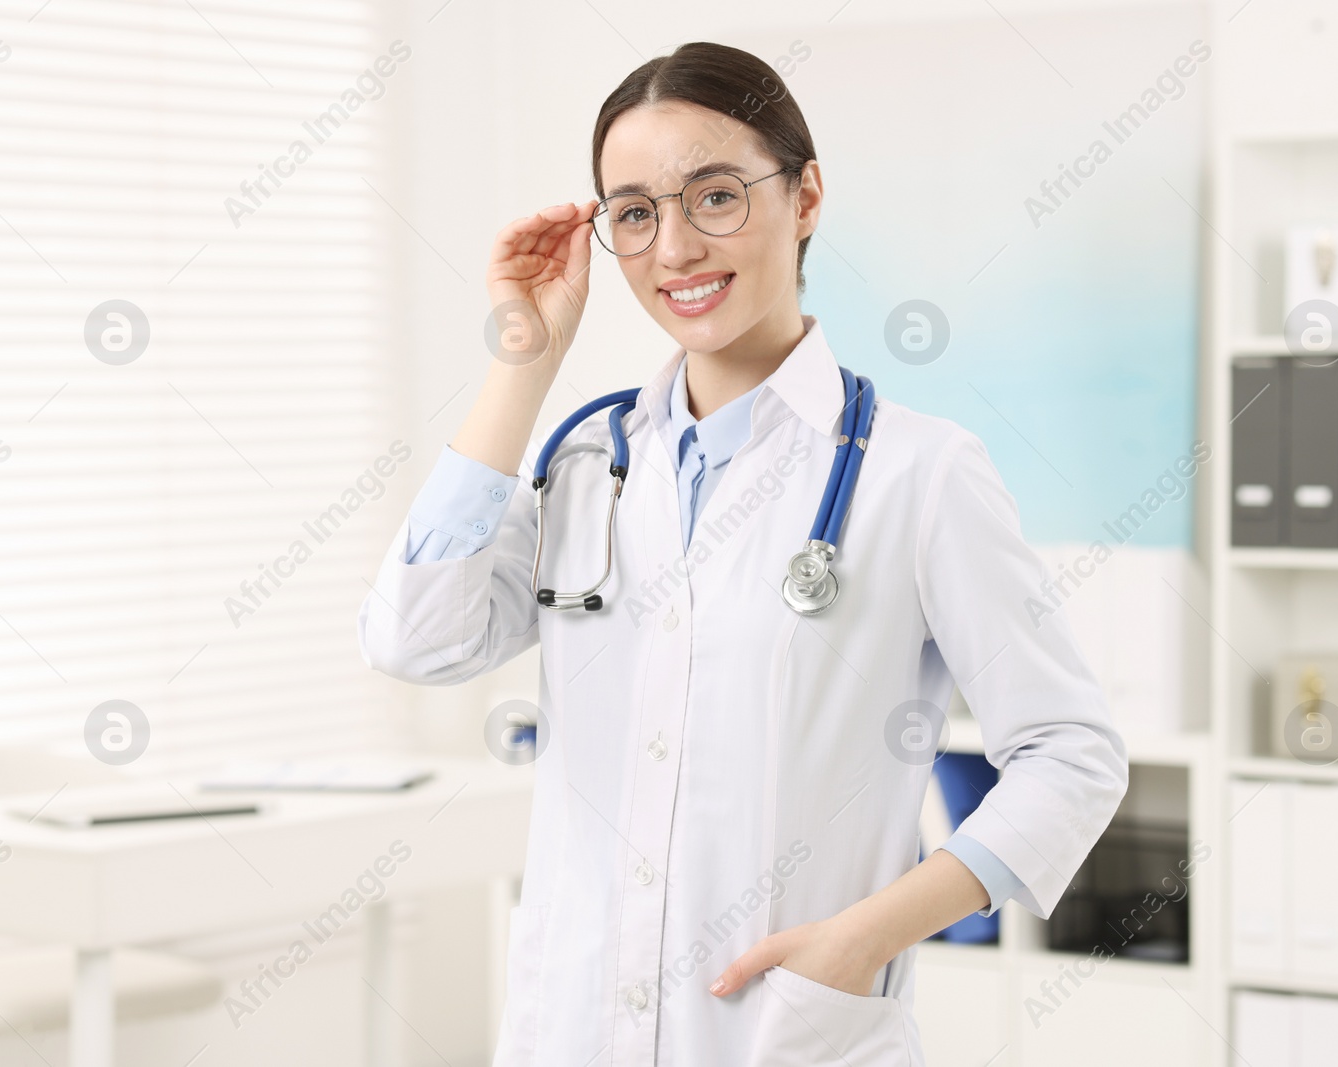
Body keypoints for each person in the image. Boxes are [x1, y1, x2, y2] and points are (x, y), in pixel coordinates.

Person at [358, 40, 1127, 1067]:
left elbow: (1071, 753)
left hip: (782, 1027)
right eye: (634, 212)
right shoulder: (588, 462)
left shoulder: (920, 472)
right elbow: (415, 638)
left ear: (804, 196)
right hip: (573, 1029)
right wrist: (522, 366)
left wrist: (867, 935)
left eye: (713, 196)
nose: (673, 246)